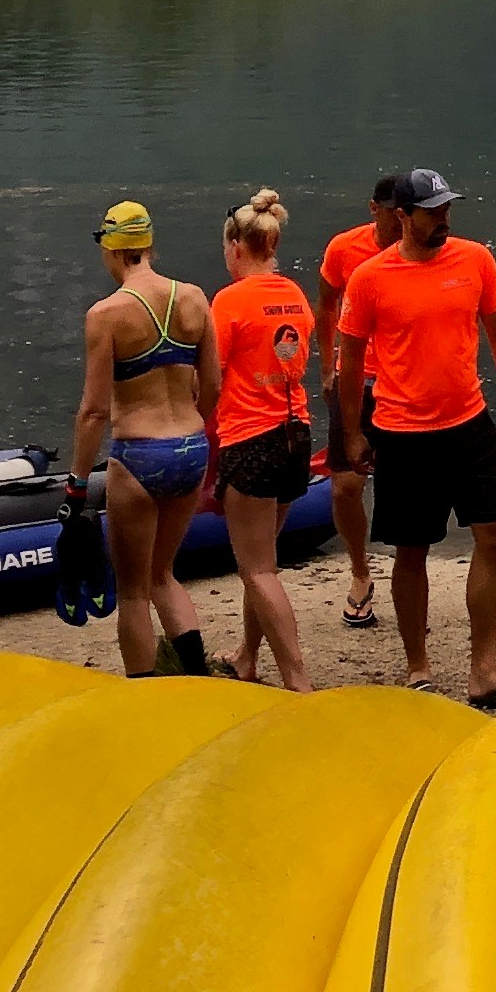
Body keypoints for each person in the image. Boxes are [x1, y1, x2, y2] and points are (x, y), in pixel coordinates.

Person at [333, 163, 496, 710]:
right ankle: (418, 668)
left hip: (468, 421)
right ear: (402, 216)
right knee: (411, 549)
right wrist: (352, 433)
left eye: (446, 207)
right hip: (402, 431)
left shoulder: (475, 259)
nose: (444, 217)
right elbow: (350, 363)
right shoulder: (370, 277)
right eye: (432, 211)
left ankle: (484, 670)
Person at [69, 198, 222, 680]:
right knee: (164, 575)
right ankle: (197, 679)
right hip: (191, 449)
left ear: (112, 250)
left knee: (134, 591)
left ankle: (143, 694)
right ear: (149, 245)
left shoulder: (107, 314)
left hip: (139, 454)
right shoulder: (194, 298)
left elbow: (94, 410)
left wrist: (76, 483)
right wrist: (190, 429)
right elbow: (213, 385)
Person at [210, 187, 316, 690]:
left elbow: (210, 377)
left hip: (250, 438)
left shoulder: (229, 300)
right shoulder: (293, 294)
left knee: (257, 570)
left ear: (236, 246)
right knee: (264, 560)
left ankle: (298, 681)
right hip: (296, 434)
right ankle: (246, 656)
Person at [313, 173, 402, 629]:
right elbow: (326, 303)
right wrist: (327, 366)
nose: (400, 220)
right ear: (374, 209)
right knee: (345, 486)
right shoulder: (344, 248)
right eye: (392, 212)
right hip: (355, 379)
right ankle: (360, 571)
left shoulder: (421, 251)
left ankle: (409, 577)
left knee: (402, 487)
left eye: (407, 212)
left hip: (402, 384)